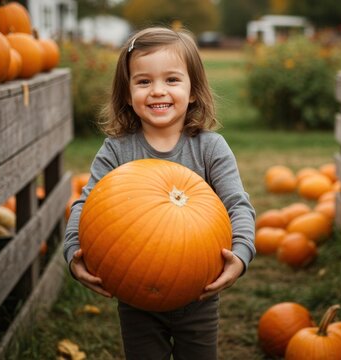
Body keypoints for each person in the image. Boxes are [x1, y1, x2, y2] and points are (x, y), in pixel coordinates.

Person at [63, 26, 256, 360]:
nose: (157, 91)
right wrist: (73, 251)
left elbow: (237, 205)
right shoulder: (117, 151)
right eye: (143, 81)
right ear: (126, 93)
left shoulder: (210, 149)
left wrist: (240, 253)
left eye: (171, 80)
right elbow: (88, 202)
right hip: (135, 292)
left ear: (193, 90)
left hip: (198, 292)